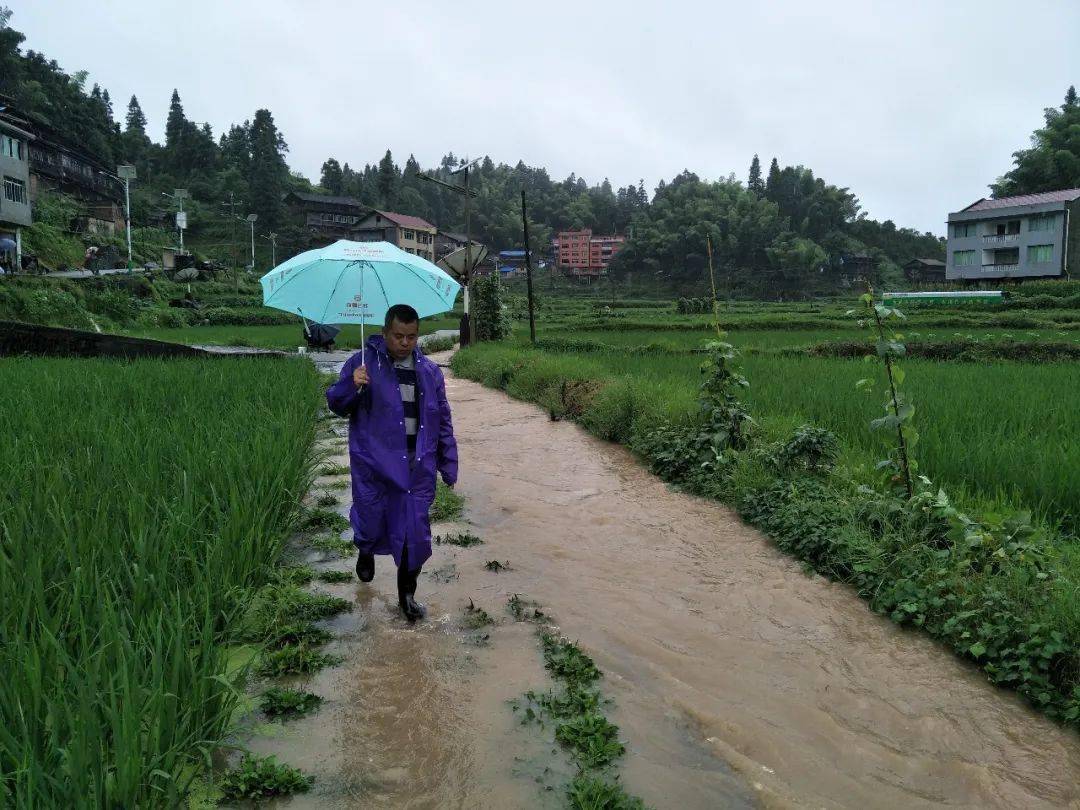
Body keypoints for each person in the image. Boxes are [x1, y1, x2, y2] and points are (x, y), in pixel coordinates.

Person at [325, 304, 458, 621]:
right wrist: (351, 385)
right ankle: (366, 547)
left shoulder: (429, 372)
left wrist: (448, 463)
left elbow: (443, 422)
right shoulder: (362, 364)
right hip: (374, 466)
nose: (404, 343)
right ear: (385, 333)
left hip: (415, 470)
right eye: (398, 336)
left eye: (411, 337)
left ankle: (407, 595)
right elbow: (336, 403)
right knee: (371, 520)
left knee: (415, 534)